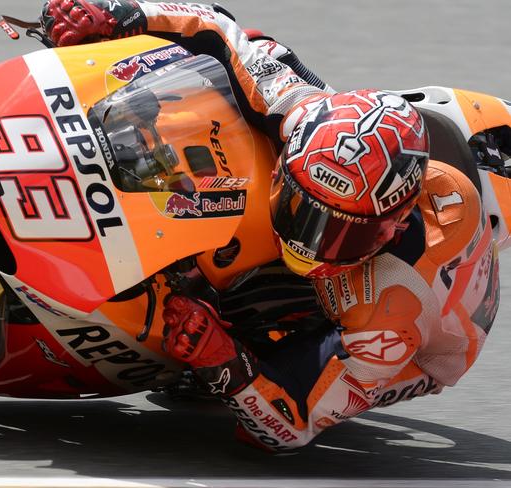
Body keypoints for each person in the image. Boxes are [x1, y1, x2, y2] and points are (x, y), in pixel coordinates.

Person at [41, 0, 500, 451]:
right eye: (305, 210)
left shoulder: (386, 321)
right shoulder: (304, 113)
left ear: (392, 228)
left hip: (420, 340)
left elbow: (291, 426)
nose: (310, 243)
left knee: (249, 342)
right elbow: (218, 27)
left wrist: (225, 363)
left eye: (345, 234)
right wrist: (119, 14)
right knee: (238, 77)